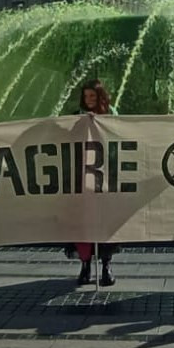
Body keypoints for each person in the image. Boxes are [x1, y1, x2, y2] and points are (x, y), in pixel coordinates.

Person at [73, 78, 118, 286]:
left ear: (100, 96)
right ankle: (85, 265)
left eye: (92, 96)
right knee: (83, 225)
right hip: (82, 178)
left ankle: (106, 265)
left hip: (105, 177)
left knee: (106, 223)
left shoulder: (113, 114)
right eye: (86, 97)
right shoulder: (76, 117)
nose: (89, 100)